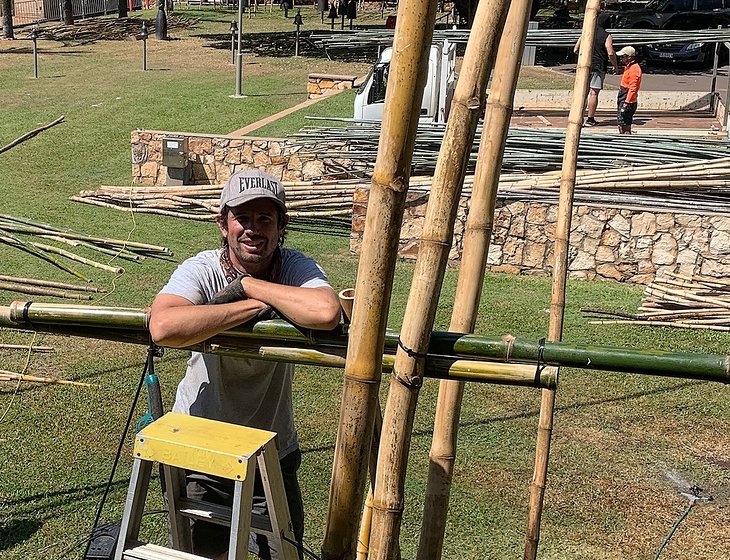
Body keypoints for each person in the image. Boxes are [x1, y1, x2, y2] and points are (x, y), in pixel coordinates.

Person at [149, 169, 341, 559]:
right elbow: (164, 326)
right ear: (223, 225)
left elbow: (325, 312)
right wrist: (256, 305)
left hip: (270, 449)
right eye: (243, 218)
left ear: (281, 226)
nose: (253, 229)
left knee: (283, 554)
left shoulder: (293, 265)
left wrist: (249, 285)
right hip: (200, 444)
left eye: (265, 219)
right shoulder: (203, 268)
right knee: (205, 555)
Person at [574, 13, 618, 127]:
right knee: (594, 93)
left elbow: (576, 49)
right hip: (598, 66)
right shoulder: (606, 35)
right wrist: (615, 65)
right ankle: (590, 119)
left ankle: (578, 118)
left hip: (584, 65)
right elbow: (610, 52)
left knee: (583, 93)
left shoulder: (587, 31)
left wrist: (583, 57)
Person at [616, 45, 642, 134]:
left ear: (629, 57)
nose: (621, 59)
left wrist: (627, 102)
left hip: (627, 98)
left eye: (623, 56)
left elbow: (633, 88)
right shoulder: (629, 67)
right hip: (624, 96)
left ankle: (625, 137)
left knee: (624, 124)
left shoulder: (634, 69)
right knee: (621, 123)